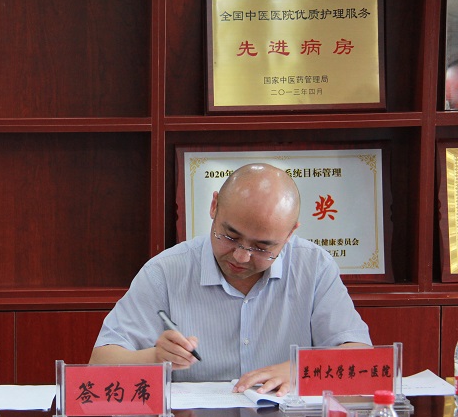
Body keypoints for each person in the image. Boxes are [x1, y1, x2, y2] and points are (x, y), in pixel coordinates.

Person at [90, 163, 369, 396]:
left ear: (290, 233)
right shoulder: (165, 272)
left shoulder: (314, 267)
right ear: (214, 207)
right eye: (230, 236)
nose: (241, 256)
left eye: (262, 247)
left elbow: (361, 357)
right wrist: (154, 358)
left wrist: (301, 369)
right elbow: (98, 366)